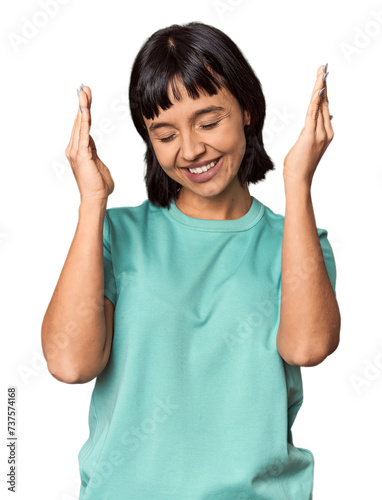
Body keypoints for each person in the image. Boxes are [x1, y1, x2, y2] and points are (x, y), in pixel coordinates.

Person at [41, 21, 341, 500]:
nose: (191, 149)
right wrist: (91, 202)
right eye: (165, 133)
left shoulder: (296, 241)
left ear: (246, 109)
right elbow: (70, 364)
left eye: (208, 122)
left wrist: (298, 182)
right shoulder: (115, 236)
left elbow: (307, 348)